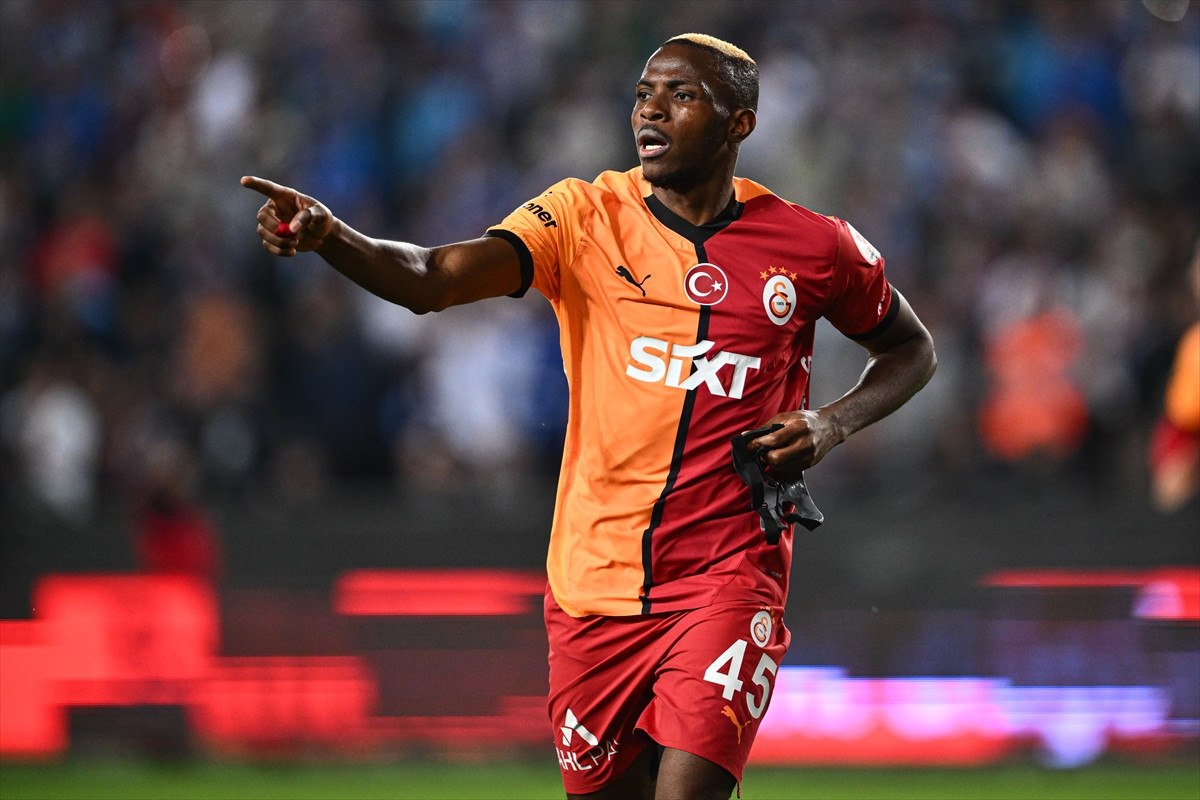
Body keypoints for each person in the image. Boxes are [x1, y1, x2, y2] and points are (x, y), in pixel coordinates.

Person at [242, 33, 935, 800]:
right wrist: (334, 237)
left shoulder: (814, 245)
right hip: (592, 591)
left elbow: (911, 350)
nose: (651, 111)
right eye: (644, 94)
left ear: (738, 124)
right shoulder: (580, 217)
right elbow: (432, 279)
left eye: (681, 95)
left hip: (727, 579)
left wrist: (831, 424)